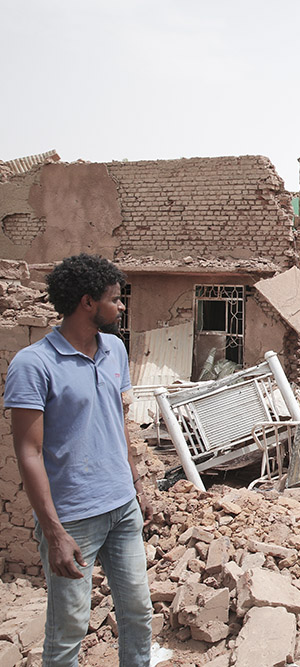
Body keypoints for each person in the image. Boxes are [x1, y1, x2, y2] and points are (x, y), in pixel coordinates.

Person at [4, 254, 152, 667]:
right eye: (115, 299)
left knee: (139, 615)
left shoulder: (115, 350)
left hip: (121, 509)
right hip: (72, 519)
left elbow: (117, 420)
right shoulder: (34, 365)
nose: (121, 307)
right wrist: (53, 532)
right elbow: (28, 452)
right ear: (88, 302)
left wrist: (137, 485)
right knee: (70, 629)